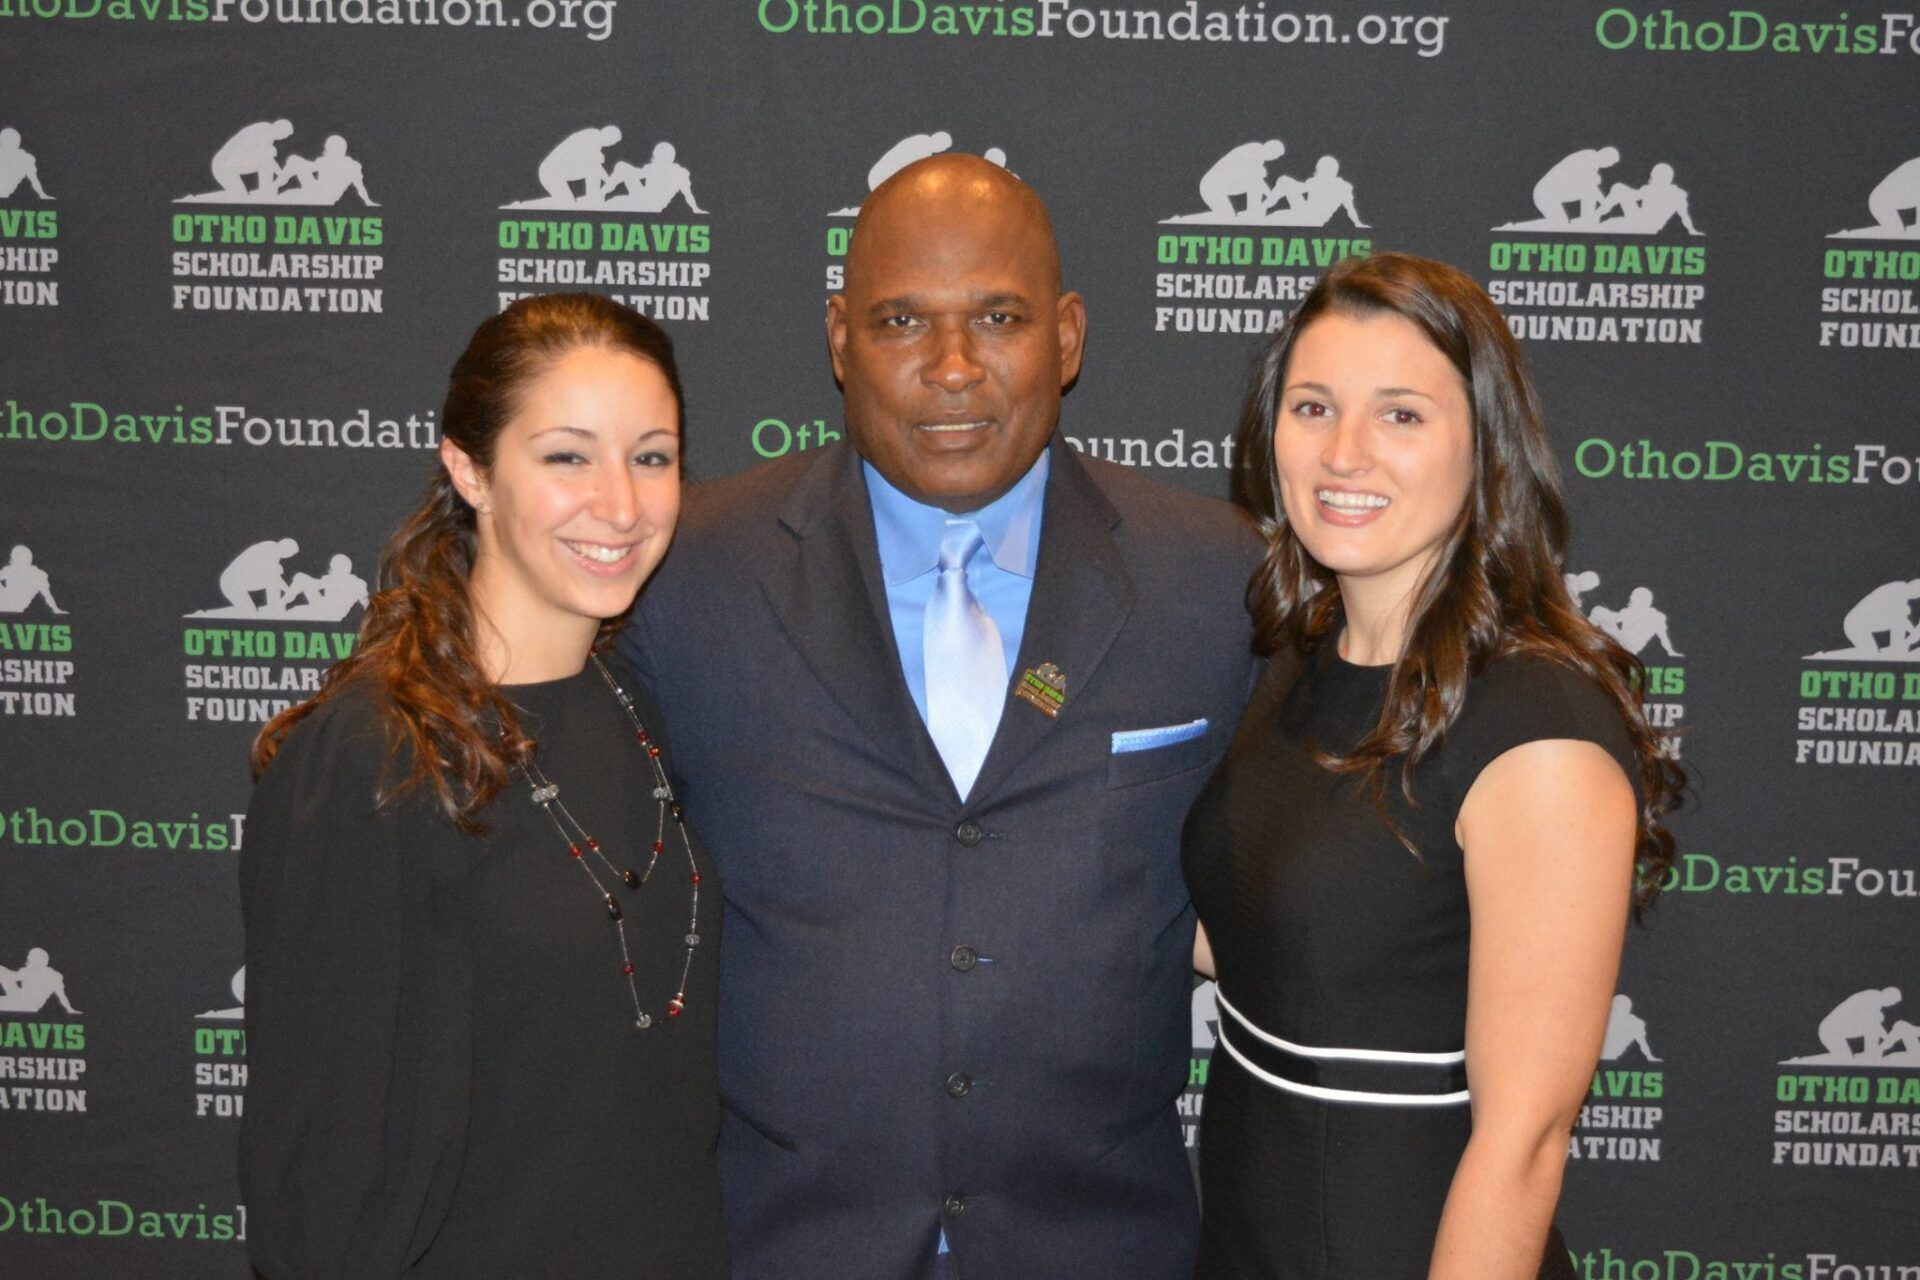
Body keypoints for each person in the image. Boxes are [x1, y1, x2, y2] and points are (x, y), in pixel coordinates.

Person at [622, 153, 1261, 1278]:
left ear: (1067, 337)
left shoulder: (1215, 582)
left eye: (999, 318)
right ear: (839, 340)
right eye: (902, 320)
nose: (953, 367)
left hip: (1103, 1248)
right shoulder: (687, 576)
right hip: (780, 1247)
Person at [1183, 253, 1684, 1279]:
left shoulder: (1537, 733)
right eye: (1313, 407)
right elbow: (1289, 944)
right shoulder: (1294, 663)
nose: (1345, 452)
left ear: (1485, 447)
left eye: (1401, 415)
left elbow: (1523, 1145)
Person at [239, 293, 726, 1279]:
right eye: (567, 457)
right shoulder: (375, 753)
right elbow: (324, 1164)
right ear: (470, 470)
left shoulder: (636, 700)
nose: (621, 505)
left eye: (651, 456)